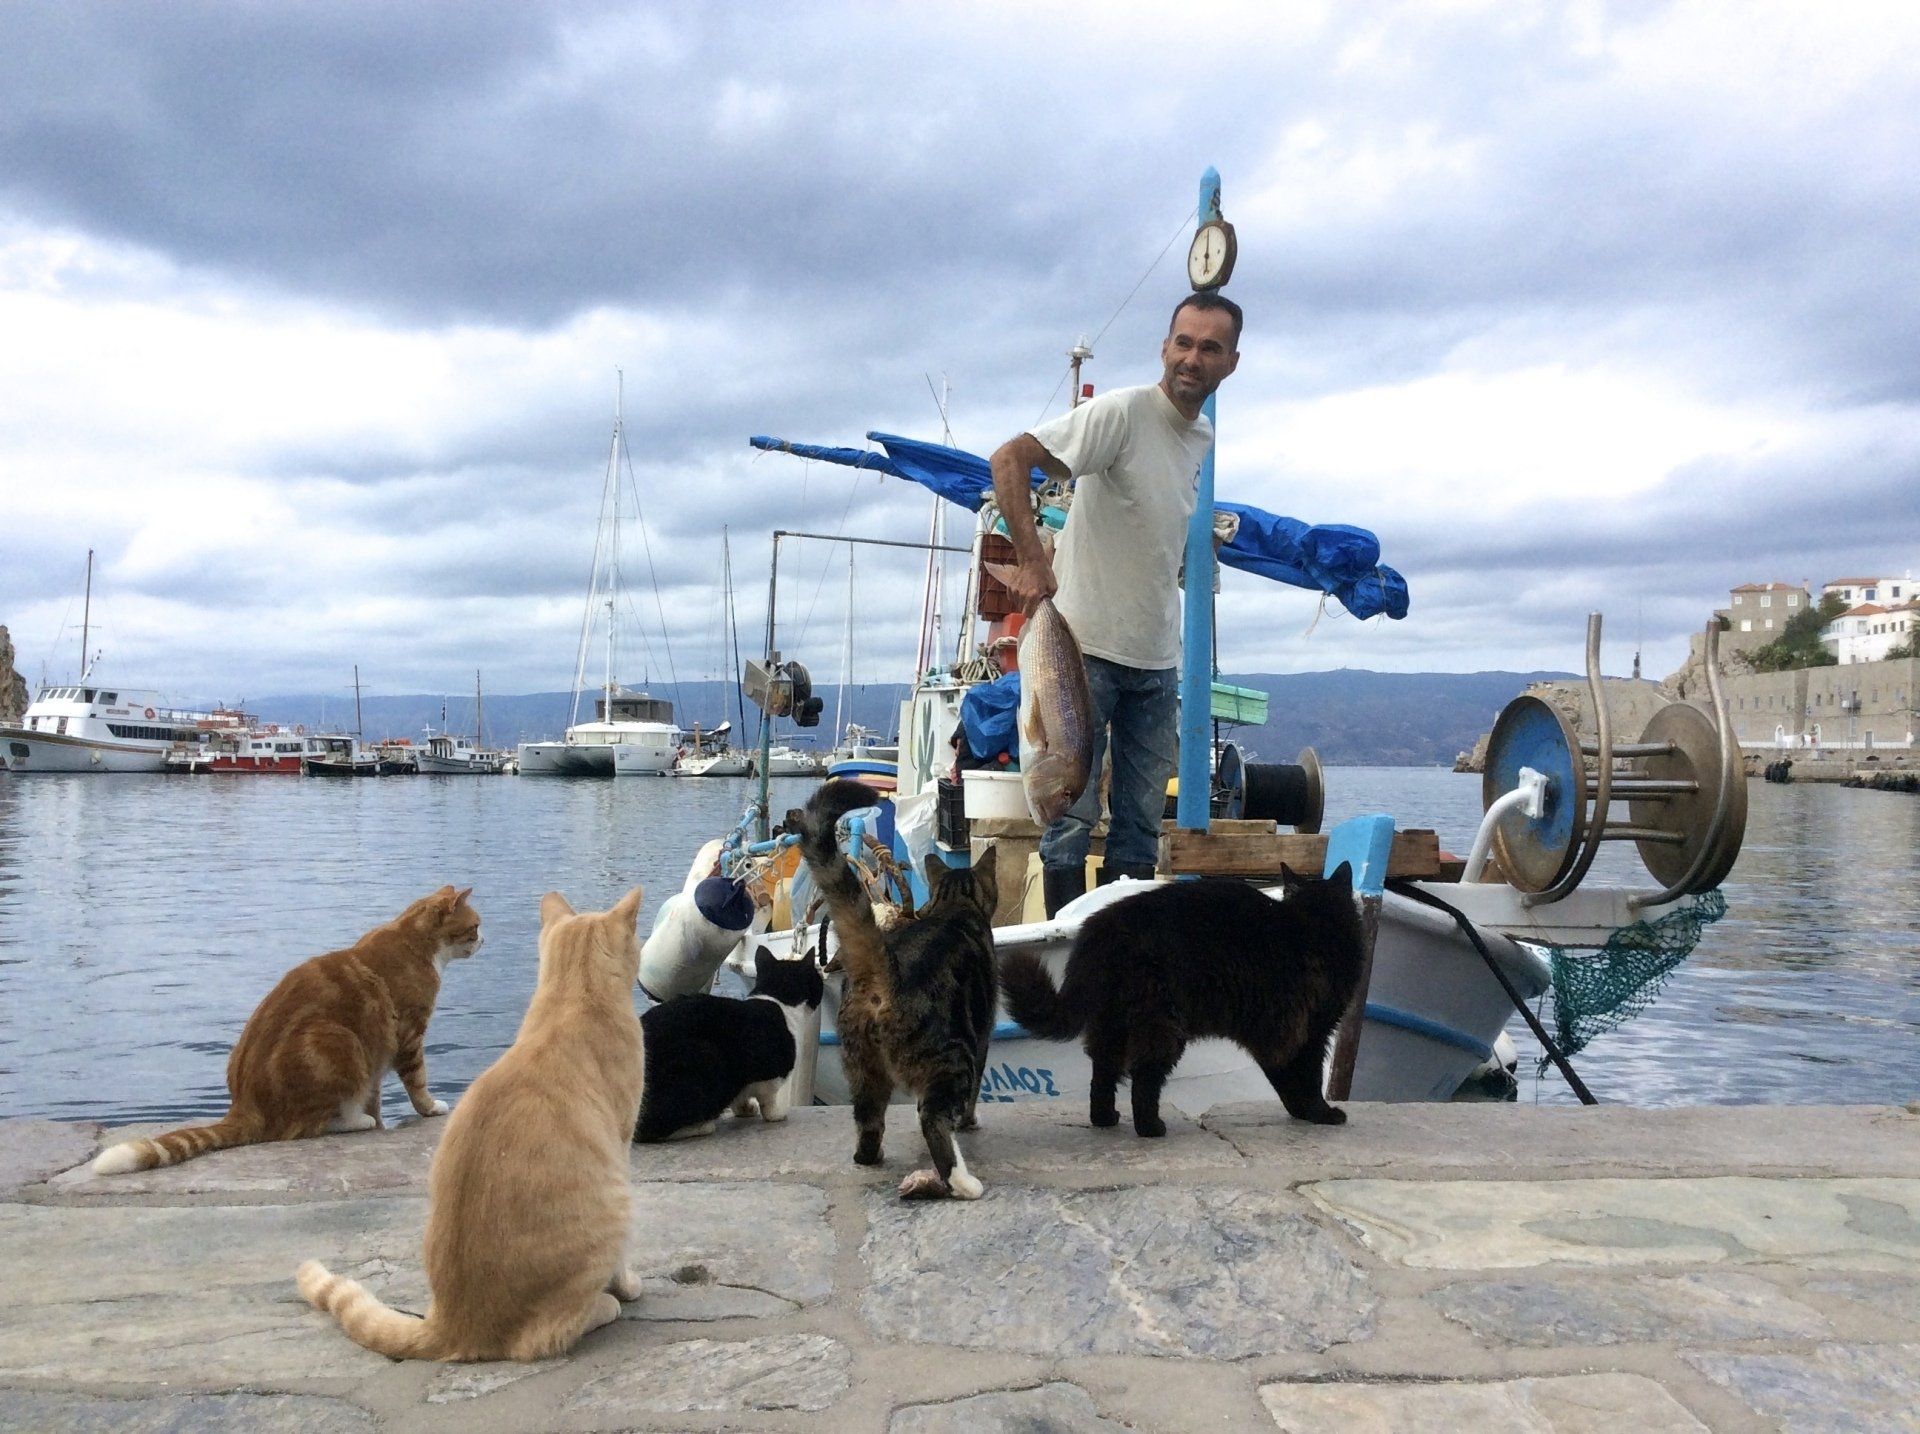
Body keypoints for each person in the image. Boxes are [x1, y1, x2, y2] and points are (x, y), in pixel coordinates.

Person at [988, 292, 1242, 916]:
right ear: (1164, 347)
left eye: (1209, 348)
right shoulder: (1123, 414)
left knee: (1135, 831)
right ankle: (1066, 954)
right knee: (1067, 825)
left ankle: (1116, 962)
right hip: (1082, 655)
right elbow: (1009, 458)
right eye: (1183, 342)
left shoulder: (1202, 438)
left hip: (1156, 666)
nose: (1192, 358)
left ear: (1231, 363)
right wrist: (1032, 558)